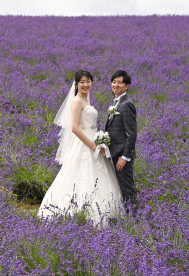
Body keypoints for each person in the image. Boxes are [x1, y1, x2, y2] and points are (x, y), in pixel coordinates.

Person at [37, 70, 123, 226]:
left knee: (98, 176)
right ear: (76, 84)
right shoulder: (77, 101)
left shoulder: (86, 100)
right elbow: (75, 128)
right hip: (85, 144)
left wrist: (99, 140)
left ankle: (104, 212)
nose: (86, 84)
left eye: (88, 81)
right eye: (82, 82)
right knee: (81, 175)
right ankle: (79, 213)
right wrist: (92, 145)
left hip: (93, 140)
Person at [105, 70, 139, 214]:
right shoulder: (117, 102)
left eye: (120, 82)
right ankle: (127, 215)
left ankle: (135, 218)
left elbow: (131, 135)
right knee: (120, 186)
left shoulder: (127, 105)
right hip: (114, 152)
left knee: (126, 187)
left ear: (127, 86)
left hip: (121, 156)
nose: (116, 85)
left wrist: (124, 157)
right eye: (114, 82)